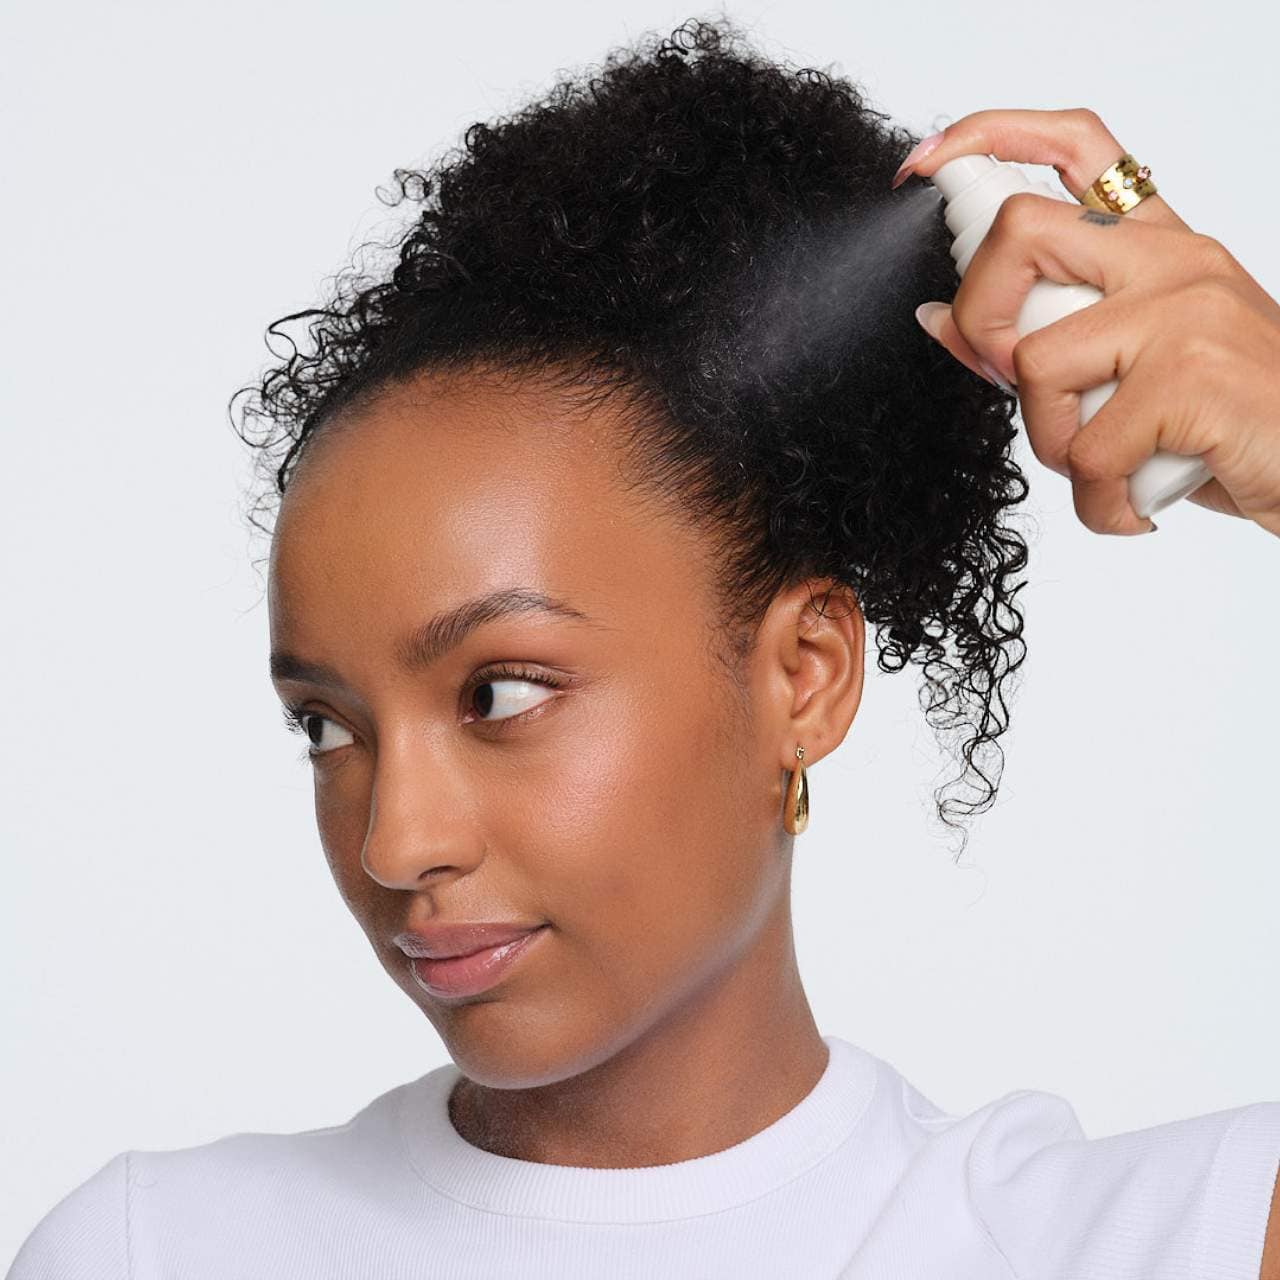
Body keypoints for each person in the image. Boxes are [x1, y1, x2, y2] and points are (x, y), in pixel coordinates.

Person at [8, 17, 1279, 1280]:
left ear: (803, 675)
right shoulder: (152, 1249)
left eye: (500, 692)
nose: (395, 842)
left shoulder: (1142, 1238)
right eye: (328, 725)